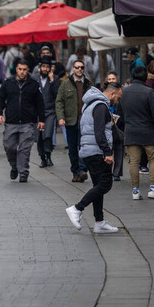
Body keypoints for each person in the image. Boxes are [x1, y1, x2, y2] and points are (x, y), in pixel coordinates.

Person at [65, 83, 122, 234]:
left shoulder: (90, 104)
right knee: (105, 184)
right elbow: (99, 133)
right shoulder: (101, 106)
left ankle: (99, 222)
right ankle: (77, 208)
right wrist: (107, 152)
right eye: (118, 97)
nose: (117, 100)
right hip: (97, 152)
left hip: (90, 150)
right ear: (112, 94)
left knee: (98, 186)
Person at [0, 59, 45, 183]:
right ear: (16, 69)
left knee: (24, 149)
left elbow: (40, 103)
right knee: (9, 147)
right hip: (11, 122)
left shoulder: (33, 84)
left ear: (28, 70)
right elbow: (0, 99)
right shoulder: (8, 83)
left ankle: (23, 173)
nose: (22, 72)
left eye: (24, 70)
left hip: (27, 123)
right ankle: (14, 167)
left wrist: (41, 119)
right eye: (20, 69)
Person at [123, 66, 154, 200]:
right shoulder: (149, 92)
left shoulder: (124, 91)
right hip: (148, 131)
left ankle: (135, 191)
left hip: (131, 131)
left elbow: (121, 110)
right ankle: (153, 188)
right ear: (144, 77)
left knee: (134, 162)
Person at [56, 60, 95, 183]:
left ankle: (82, 170)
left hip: (85, 120)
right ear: (73, 69)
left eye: (81, 67)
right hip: (71, 120)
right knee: (73, 148)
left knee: (83, 146)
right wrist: (61, 117)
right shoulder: (65, 84)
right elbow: (59, 102)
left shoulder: (88, 84)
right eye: (77, 67)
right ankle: (75, 171)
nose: (79, 69)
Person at [33, 59, 60, 167]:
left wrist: (52, 80)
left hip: (50, 111)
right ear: (40, 68)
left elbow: (57, 94)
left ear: (50, 69)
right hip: (37, 113)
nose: (45, 69)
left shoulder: (54, 79)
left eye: (47, 67)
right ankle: (42, 158)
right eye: (43, 67)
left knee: (48, 135)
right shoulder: (34, 79)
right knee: (39, 136)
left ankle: (48, 156)